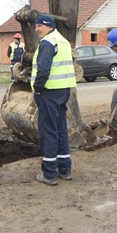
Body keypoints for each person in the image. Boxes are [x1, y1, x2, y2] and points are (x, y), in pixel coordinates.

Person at [32, 14, 77, 186]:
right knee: (60, 129)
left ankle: (49, 173)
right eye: (35, 26)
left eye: (39, 26)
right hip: (63, 91)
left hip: (49, 92)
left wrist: (37, 89)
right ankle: (64, 169)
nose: (37, 29)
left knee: (48, 131)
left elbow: (43, 70)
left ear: (49, 26)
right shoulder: (63, 41)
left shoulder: (48, 42)